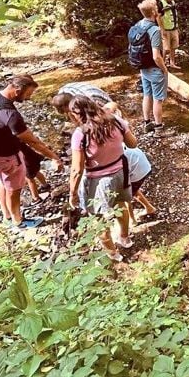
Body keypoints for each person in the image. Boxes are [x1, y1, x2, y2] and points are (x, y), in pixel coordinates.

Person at [0, 75, 62, 229]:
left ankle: (6, 216)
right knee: (14, 188)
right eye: (28, 94)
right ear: (17, 91)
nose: (29, 97)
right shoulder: (11, 115)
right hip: (7, 156)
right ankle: (18, 221)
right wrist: (54, 157)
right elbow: (33, 141)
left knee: (2, 182)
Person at [67, 95, 138, 261]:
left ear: (77, 114)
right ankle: (125, 238)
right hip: (121, 171)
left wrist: (73, 193)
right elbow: (133, 143)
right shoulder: (115, 121)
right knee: (121, 205)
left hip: (97, 181)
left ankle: (113, 253)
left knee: (97, 218)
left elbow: (77, 169)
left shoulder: (80, 134)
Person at [102, 101, 158, 221]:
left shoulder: (111, 142)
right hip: (141, 161)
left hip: (138, 167)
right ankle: (149, 208)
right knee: (134, 190)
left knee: (124, 197)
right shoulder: (117, 130)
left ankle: (132, 221)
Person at [128, 0, 169, 132]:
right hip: (154, 68)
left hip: (142, 68)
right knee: (158, 100)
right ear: (153, 11)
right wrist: (164, 69)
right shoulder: (154, 30)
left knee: (147, 94)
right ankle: (159, 128)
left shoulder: (139, 25)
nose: (158, 9)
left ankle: (147, 122)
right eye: (156, 7)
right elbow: (156, 56)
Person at [158, 0, 181, 70]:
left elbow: (174, 16)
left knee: (174, 47)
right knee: (165, 48)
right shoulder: (161, 3)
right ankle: (162, 65)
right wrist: (162, 29)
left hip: (174, 28)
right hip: (166, 29)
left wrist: (177, 27)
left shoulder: (173, 2)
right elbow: (158, 17)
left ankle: (172, 63)